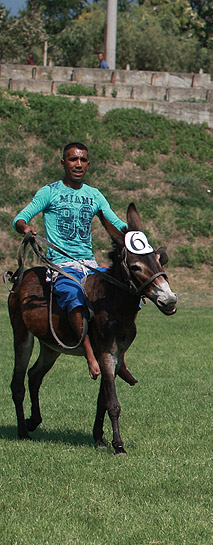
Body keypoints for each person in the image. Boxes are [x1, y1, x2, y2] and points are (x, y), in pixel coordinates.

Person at [13, 142, 129, 380]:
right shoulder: (49, 192)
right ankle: (89, 354)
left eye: (83, 160)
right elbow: (21, 217)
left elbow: (116, 224)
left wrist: (134, 235)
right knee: (74, 294)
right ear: (63, 163)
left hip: (89, 264)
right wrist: (26, 228)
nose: (78, 164)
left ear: (88, 163)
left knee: (127, 288)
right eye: (73, 159)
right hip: (62, 265)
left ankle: (121, 358)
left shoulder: (94, 195)